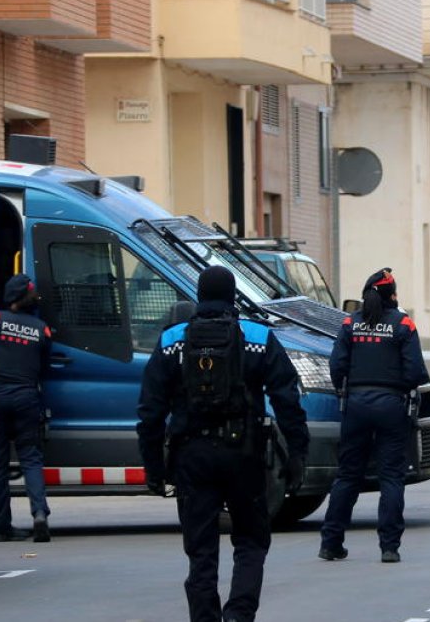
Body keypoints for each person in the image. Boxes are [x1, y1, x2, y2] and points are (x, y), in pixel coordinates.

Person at [137, 266, 308, 622]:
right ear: (233, 297)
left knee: (201, 551)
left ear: (199, 296)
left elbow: (150, 411)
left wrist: (153, 467)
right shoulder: (258, 336)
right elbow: (288, 399)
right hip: (244, 454)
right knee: (250, 540)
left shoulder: (172, 340)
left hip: (191, 457)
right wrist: (296, 456)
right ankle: (238, 615)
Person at [319, 268, 430, 564]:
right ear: (391, 295)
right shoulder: (404, 324)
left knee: (347, 475)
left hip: (355, 404)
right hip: (392, 406)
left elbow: (336, 366)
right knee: (391, 476)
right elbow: (416, 372)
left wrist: (349, 390)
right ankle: (389, 547)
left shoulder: (350, 323)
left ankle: (331, 543)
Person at [0, 274, 52, 543]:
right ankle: (39, 514)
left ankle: (1, 526)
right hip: (26, 397)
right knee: (31, 458)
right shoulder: (41, 329)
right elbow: (45, 367)